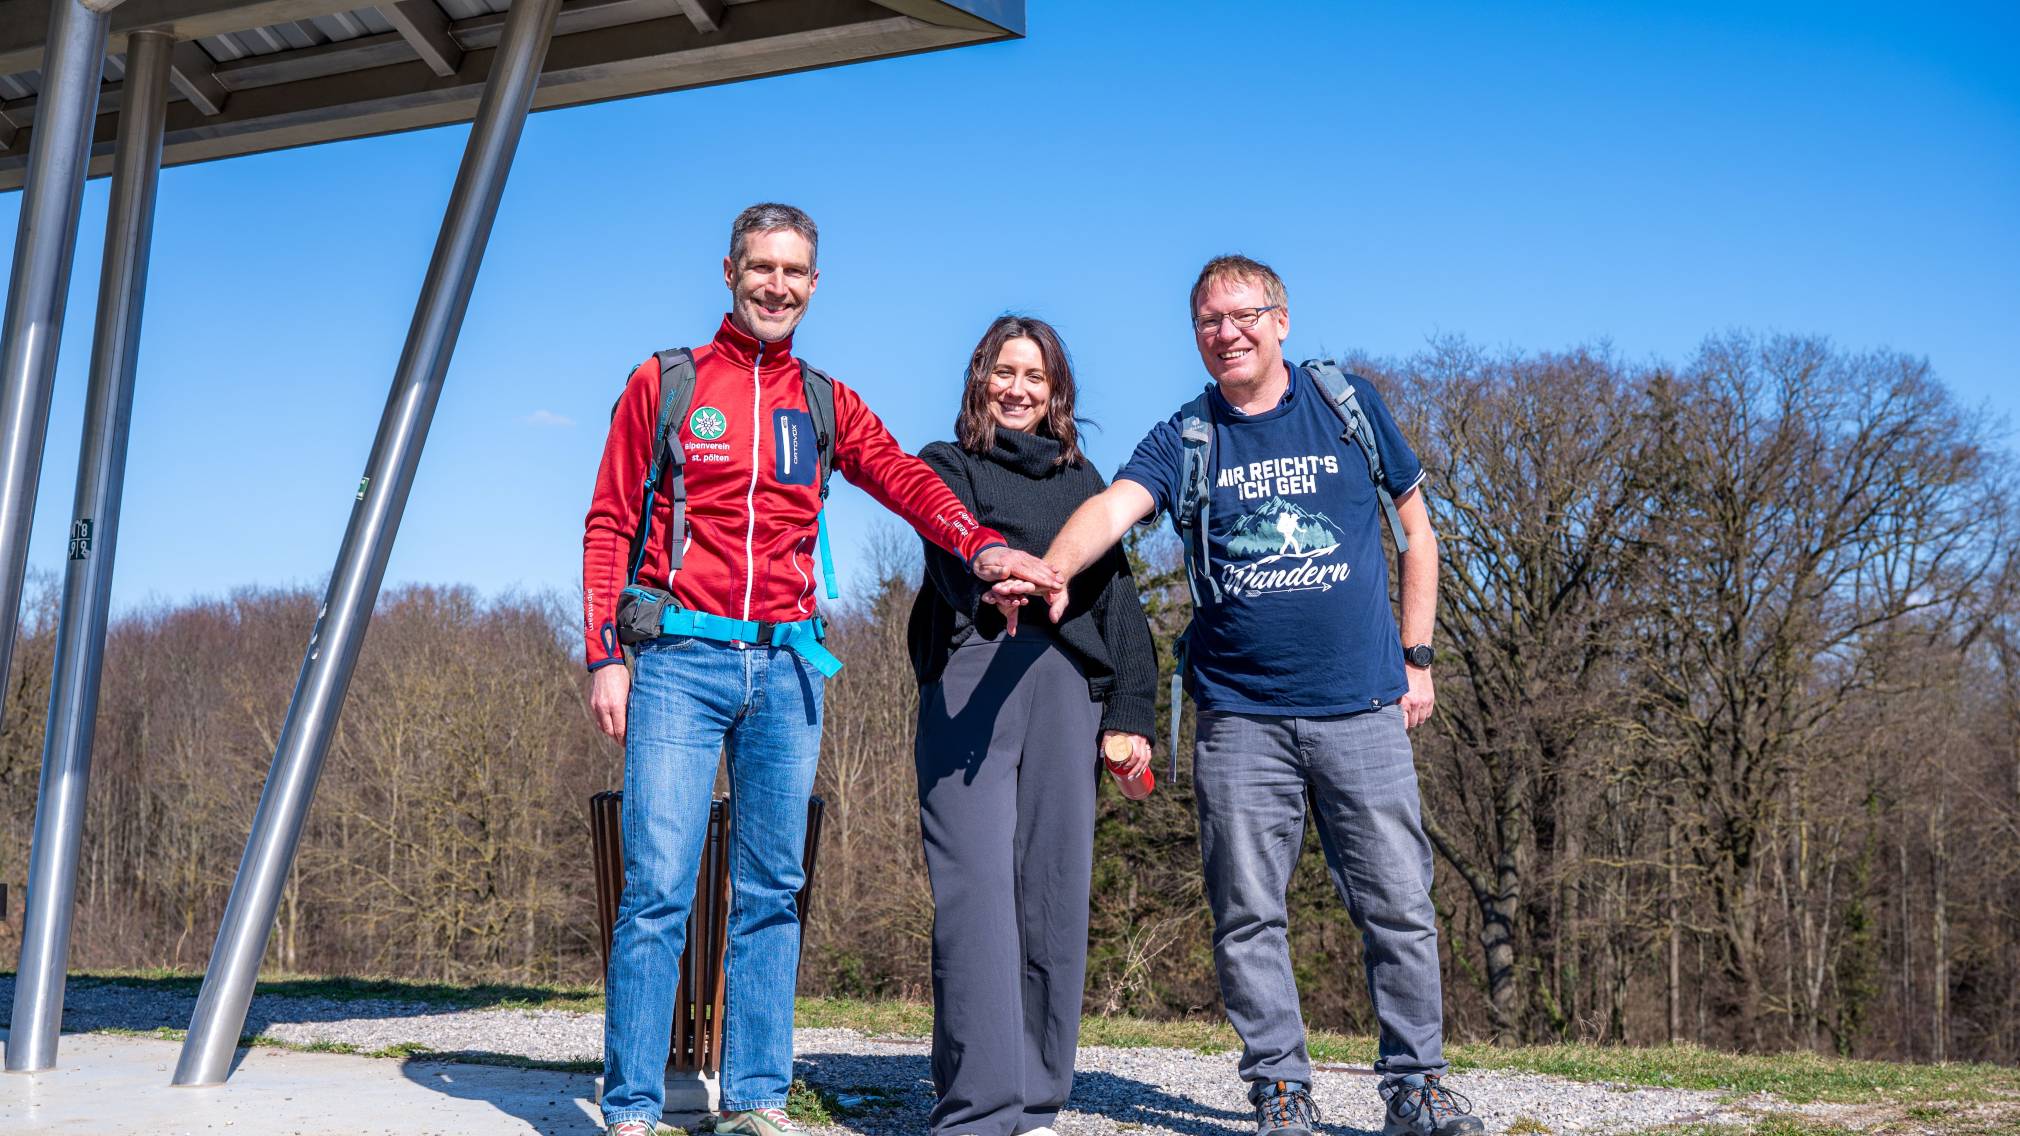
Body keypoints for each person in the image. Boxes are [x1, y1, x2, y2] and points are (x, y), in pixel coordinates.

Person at [582, 204, 1060, 1136]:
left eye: (795, 271)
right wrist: (606, 655)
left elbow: (906, 479)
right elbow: (609, 522)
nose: (777, 285)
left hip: (791, 670)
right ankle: (633, 1105)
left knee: (772, 894)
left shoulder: (827, 401)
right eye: (761, 267)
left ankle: (756, 1099)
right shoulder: (667, 382)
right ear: (728, 273)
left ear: (815, 284)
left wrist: (981, 546)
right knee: (657, 891)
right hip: (679, 661)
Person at [1017, 256, 1486, 1136]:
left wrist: (1418, 657)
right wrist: (1052, 569)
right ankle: (1280, 1089)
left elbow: (1417, 529)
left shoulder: (1348, 406)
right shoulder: (1188, 436)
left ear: (1280, 320)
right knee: (1247, 913)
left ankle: (1416, 1086)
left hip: (1364, 708)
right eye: (1206, 321)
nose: (1224, 333)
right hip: (1238, 718)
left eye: (1240, 316)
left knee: (1399, 903)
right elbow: (1116, 508)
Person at [907, 315, 1157, 1136]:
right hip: (974, 665)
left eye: (1035, 378)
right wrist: (988, 577)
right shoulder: (947, 467)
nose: (1018, 389)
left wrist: (1131, 713)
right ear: (980, 378)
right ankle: (978, 1108)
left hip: (1066, 684)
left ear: (1057, 394)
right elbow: (947, 551)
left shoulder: (1082, 483)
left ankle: (1040, 1100)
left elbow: (1119, 603)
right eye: (1003, 372)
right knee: (975, 893)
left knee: (1052, 890)